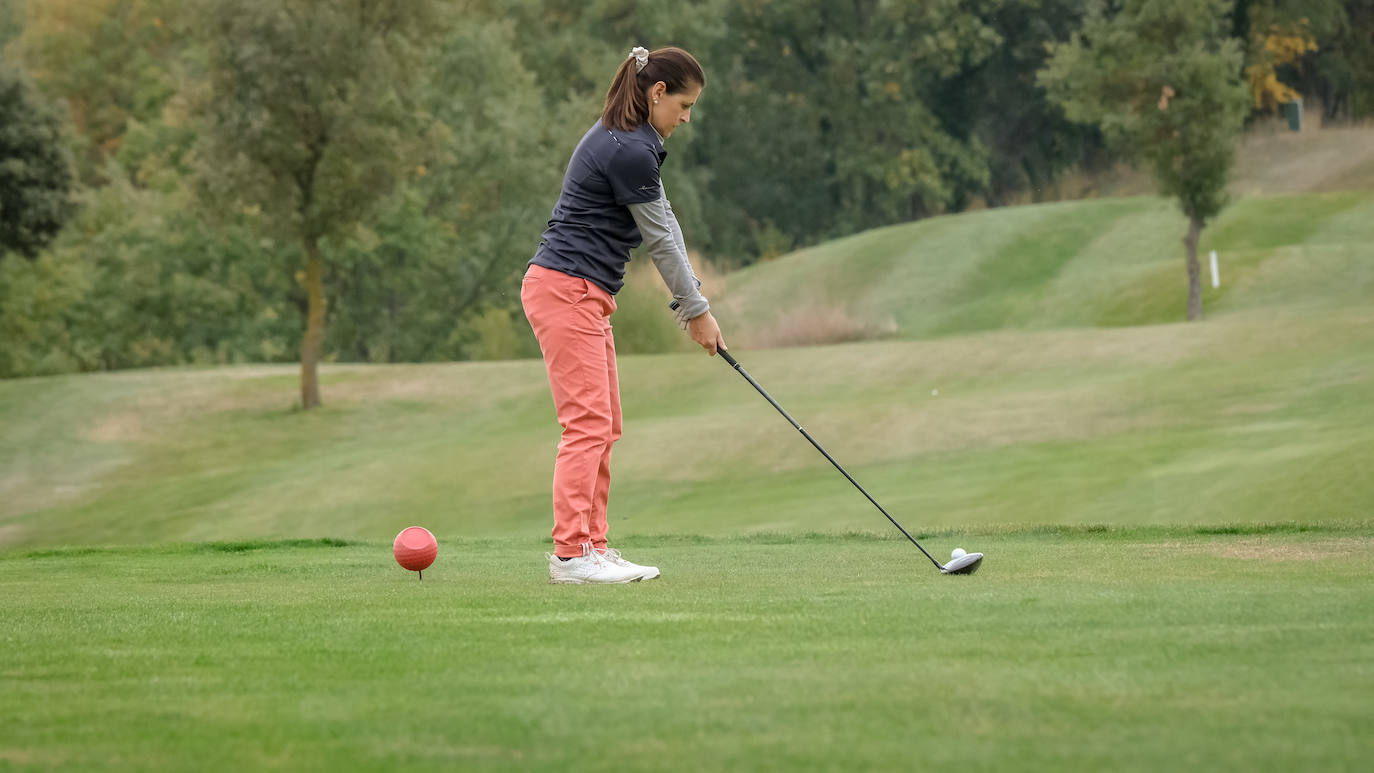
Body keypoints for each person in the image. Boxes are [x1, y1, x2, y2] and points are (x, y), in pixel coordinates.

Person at [522, 45, 726, 584]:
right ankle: (571, 555)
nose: (687, 118)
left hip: (583, 293)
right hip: (565, 290)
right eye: (684, 105)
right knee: (586, 424)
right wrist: (696, 312)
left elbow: (667, 226)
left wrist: (694, 304)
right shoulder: (629, 149)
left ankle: (593, 544)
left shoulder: (632, 140)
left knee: (604, 425)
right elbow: (661, 242)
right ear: (657, 93)